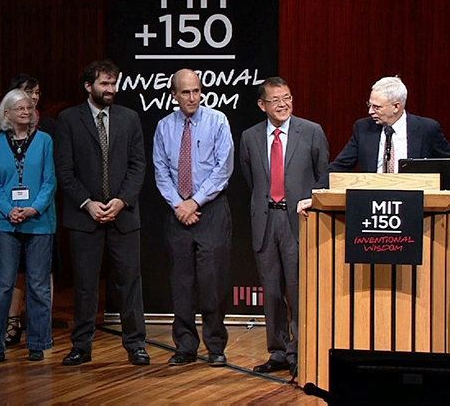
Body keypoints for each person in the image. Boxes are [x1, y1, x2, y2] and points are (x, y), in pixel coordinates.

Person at [55, 60, 149, 366]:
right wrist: (88, 203)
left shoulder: (129, 117)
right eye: (105, 84)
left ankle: (135, 344)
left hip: (123, 215)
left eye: (114, 83)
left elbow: (138, 165)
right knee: (84, 284)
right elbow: (65, 170)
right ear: (88, 86)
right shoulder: (68, 119)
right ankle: (81, 345)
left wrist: (122, 201)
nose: (111, 89)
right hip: (85, 217)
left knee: (129, 283)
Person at [239, 77, 329, 375]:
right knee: (272, 292)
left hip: (298, 221)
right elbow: (251, 179)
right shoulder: (250, 137)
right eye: (276, 100)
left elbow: (323, 178)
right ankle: (277, 352)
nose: (283, 104)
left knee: (298, 290)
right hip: (265, 221)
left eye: (287, 97)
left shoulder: (312, 132)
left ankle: (301, 352)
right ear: (262, 105)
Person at [296, 76, 450, 219]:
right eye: (369, 105)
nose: (371, 111)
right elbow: (340, 165)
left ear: (396, 107)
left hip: (413, 210)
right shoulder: (363, 128)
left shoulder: (426, 129)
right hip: (372, 210)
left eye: (377, 107)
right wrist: (316, 196)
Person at [152, 69, 234, 367]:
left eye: (196, 91)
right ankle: (185, 346)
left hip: (210, 210)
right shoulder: (164, 127)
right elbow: (160, 171)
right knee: (181, 283)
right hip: (177, 213)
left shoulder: (218, 121)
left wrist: (194, 201)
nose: (192, 98)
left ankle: (215, 346)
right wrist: (179, 204)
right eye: (185, 92)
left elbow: (223, 168)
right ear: (174, 95)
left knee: (213, 281)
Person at [0, 89, 56, 362]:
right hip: (7, 223)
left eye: (30, 108)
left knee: (38, 286)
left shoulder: (45, 140)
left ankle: (38, 342)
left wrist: (32, 208)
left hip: (39, 221)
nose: (27, 112)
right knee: (3, 285)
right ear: (7, 114)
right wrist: (9, 210)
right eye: (20, 109)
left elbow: (49, 181)